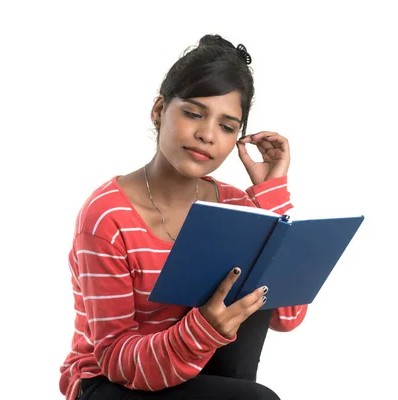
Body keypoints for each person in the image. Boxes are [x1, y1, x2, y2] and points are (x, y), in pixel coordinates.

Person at [58, 34, 307, 400]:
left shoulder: (236, 206)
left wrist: (271, 197)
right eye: (193, 113)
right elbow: (114, 359)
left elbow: (288, 317)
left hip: (197, 372)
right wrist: (203, 328)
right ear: (159, 110)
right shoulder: (107, 216)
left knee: (252, 290)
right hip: (109, 382)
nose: (206, 135)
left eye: (226, 126)